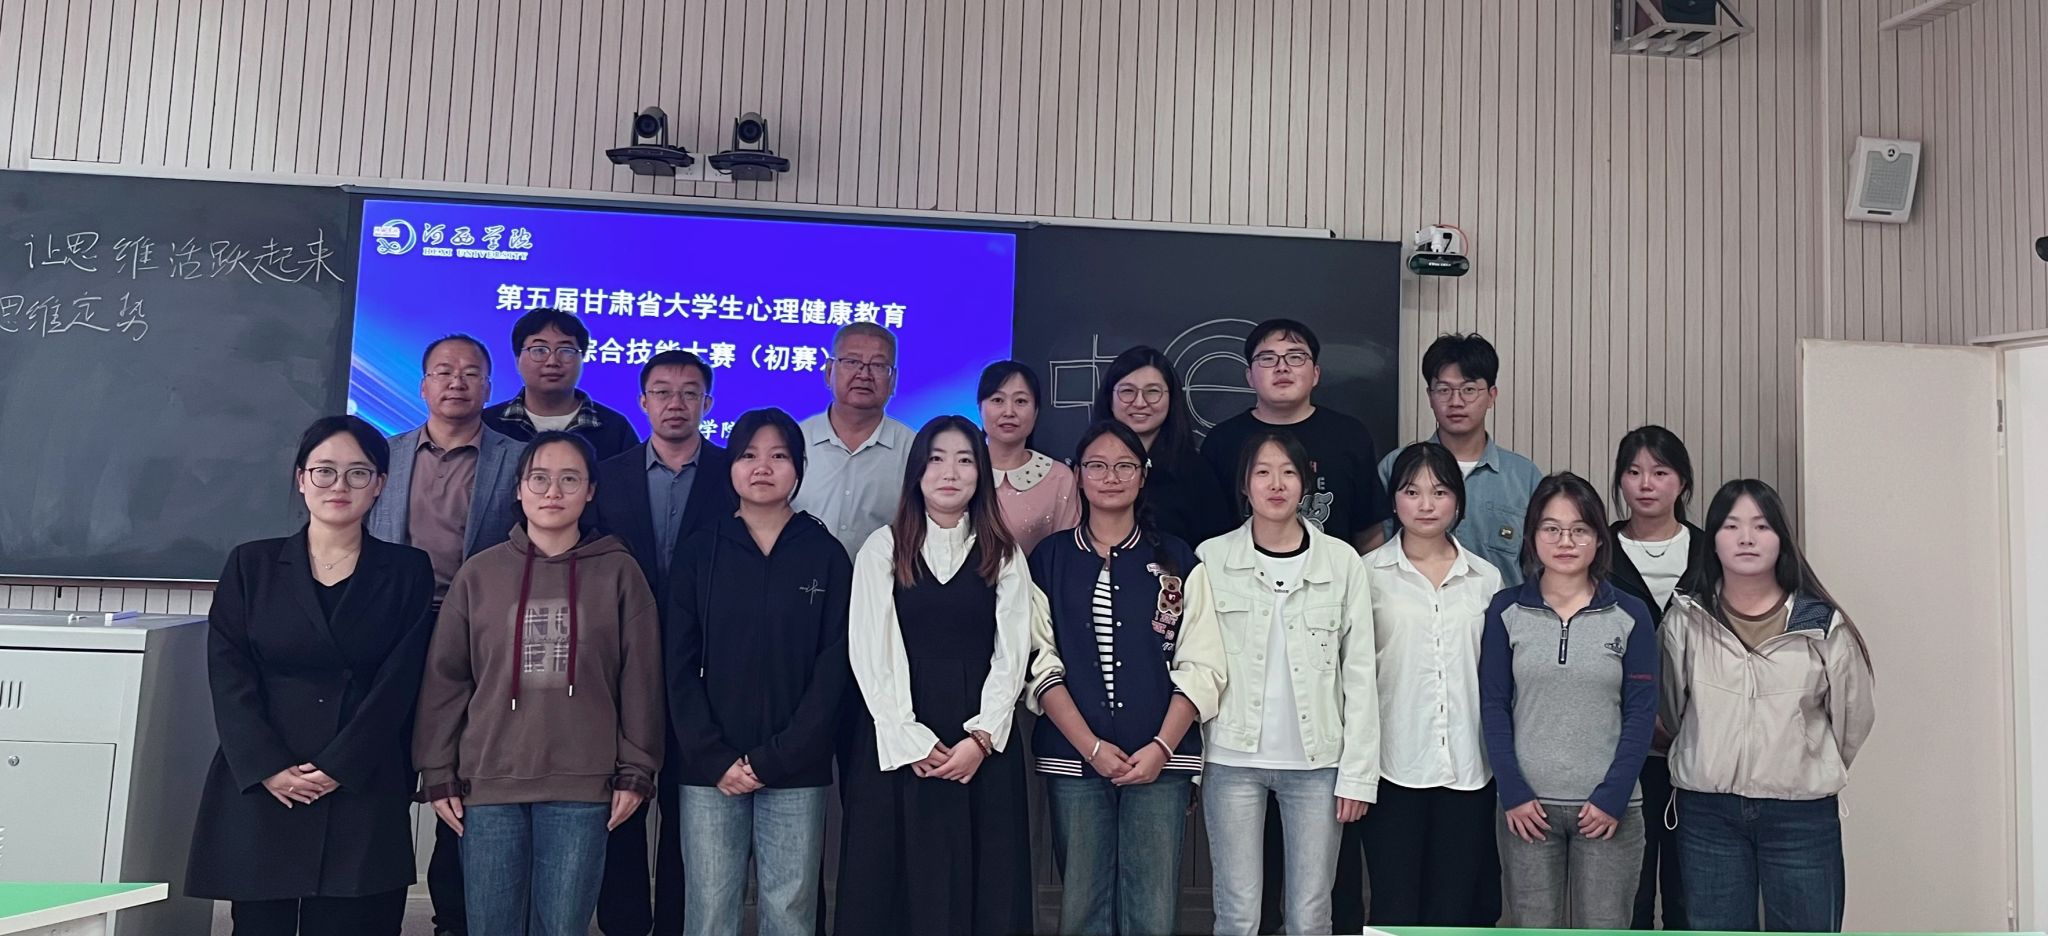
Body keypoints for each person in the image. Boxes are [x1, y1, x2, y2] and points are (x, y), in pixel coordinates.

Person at [186, 416, 436, 936]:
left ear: (380, 484)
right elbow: (229, 675)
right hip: (267, 776)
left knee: (354, 922)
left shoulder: (408, 569)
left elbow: (400, 681)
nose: (339, 485)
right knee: (262, 924)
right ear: (301, 479)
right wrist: (269, 766)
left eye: (358, 473)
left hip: (361, 776)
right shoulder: (251, 565)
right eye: (324, 471)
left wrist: (340, 766)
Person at [414, 432, 666, 936]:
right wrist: (437, 769)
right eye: (540, 478)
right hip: (488, 783)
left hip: (584, 786)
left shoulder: (620, 572)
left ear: (590, 491)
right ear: (518, 488)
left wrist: (637, 769)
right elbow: (446, 679)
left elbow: (641, 680)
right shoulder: (479, 574)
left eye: (570, 479)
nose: (553, 491)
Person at [835, 415, 1034, 936]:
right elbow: (870, 649)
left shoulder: (1004, 552)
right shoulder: (883, 547)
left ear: (981, 473)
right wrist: (908, 737)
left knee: (986, 882)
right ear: (917, 472)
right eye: (937, 459)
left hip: (980, 740)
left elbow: (1013, 653)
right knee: (895, 882)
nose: (950, 472)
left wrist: (982, 737)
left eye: (965, 460)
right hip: (897, 732)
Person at [1025, 420, 1226, 936]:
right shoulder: (1049, 558)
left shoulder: (1178, 558)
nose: (1110, 477)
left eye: (1124, 466)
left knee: (1152, 910)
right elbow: (1039, 661)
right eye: (1097, 466)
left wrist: (1161, 747)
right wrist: (1091, 747)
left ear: (1143, 475)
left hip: (1161, 759)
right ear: (1077, 475)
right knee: (1082, 906)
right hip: (1074, 758)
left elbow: (1202, 665)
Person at [1660, 480, 1875, 934]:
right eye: (1731, 526)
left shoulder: (1821, 624)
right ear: (1712, 539)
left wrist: (1808, 761)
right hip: (1708, 811)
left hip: (1800, 814)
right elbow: (1670, 709)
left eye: (1761, 526)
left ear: (1782, 538)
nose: (1746, 538)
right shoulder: (1687, 617)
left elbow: (1852, 720)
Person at [668, 407, 852, 936]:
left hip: (796, 767)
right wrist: (712, 756)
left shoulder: (825, 554)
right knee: (709, 911)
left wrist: (781, 756)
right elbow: (677, 664)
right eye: (748, 455)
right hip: (711, 769)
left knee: (790, 911)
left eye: (778, 456)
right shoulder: (700, 551)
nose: (762, 467)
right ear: (730, 466)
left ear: (799, 468)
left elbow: (834, 668)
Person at [364, 333, 525, 936]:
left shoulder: (518, 460)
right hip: (393, 634)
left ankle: (454, 918)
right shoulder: (383, 456)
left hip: (480, 637)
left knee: (464, 777)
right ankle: (373, 910)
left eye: (470, 372)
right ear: (424, 384)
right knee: (383, 776)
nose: (457, 382)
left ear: (490, 386)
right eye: (443, 371)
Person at [1190, 429, 1378, 936]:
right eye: (1262, 472)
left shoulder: (1341, 561)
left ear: (1305, 484)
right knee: (1237, 914)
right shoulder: (1210, 558)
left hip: (1317, 764)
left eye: (1288, 472)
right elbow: (1194, 664)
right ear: (1244, 485)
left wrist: (1357, 775)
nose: (1276, 484)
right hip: (1231, 759)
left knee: (1310, 915)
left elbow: (1361, 674)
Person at [591, 350, 737, 936]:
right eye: (662, 391)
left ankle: (677, 922)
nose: (675, 403)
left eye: (689, 392)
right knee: (620, 796)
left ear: (708, 402)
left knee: (690, 803)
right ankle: (624, 922)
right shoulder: (608, 474)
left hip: (706, 663)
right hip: (620, 659)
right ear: (642, 401)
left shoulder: (733, 472)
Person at [1481, 472, 1658, 929]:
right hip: (1527, 812)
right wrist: (1513, 793)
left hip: (1609, 811)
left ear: (1599, 538)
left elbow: (1641, 713)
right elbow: (1493, 707)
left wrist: (1613, 796)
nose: (1565, 541)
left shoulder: (1630, 613)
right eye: (1551, 528)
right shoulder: (1505, 610)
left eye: (1579, 529)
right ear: (1532, 536)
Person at [1358, 442, 1504, 927]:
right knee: (1394, 908)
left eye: (1440, 492)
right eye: (1412, 491)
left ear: (1458, 501)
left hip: (1468, 767)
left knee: (1455, 910)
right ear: (1393, 500)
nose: (1426, 504)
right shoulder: (1367, 574)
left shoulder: (1486, 579)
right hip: (1392, 765)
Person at [1608, 426, 1709, 931]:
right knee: (1630, 896)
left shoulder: (1711, 552)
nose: (1646, 484)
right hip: (1621, 751)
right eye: (1633, 472)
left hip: (1702, 750)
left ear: (1682, 482)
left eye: (1660, 472)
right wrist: (1640, 720)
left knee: (1693, 897)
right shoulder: (1599, 550)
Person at [1200, 319, 1389, 552]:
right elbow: (1208, 528)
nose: (1282, 367)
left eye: (1296, 357)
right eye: (1267, 358)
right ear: (1249, 376)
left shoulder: (1350, 435)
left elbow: (1369, 529)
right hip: (1242, 573)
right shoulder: (1222, 441)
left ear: (1316, 373)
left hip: (1332, 572)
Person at [1376, 333, 1543, 584]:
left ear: (1492, 396)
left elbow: (1538, 566)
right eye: (1444, 390)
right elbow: (1379, 552)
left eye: (1469, 390)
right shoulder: (1395, 467)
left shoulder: (1524, 476)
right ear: (1430, 395)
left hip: (1501, 607)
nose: (1456, 401)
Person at [793, 321, 916, 560]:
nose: (864, 374)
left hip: (883, 581)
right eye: (852, 361)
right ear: (829, 371)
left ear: (893, 380)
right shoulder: (795, 442)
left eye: (878, 365)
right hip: (799, 579)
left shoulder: (914, 450)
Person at [1094, 346, 1232, 547]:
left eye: (1153, 392)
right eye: (1127, 391)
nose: (1140, 403)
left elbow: (1216, 549)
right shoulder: (1088, 469)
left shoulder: (1196, 473)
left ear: (1171, 398)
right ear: (1109, 397)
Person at [483, 307, 640, 460]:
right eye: (539, 350)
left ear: (582, 359)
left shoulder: (615, 429)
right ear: (517, 360)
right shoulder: (487, 424)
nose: (552, 361)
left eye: (566, 350)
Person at [978, 360, 1081, 553]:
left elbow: (1065, 556)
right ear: (980, 408)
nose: (1009, 412)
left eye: (1021, 401)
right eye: (997, 400)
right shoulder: (961, 471)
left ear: (1036, 411)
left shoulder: (1059, 477)